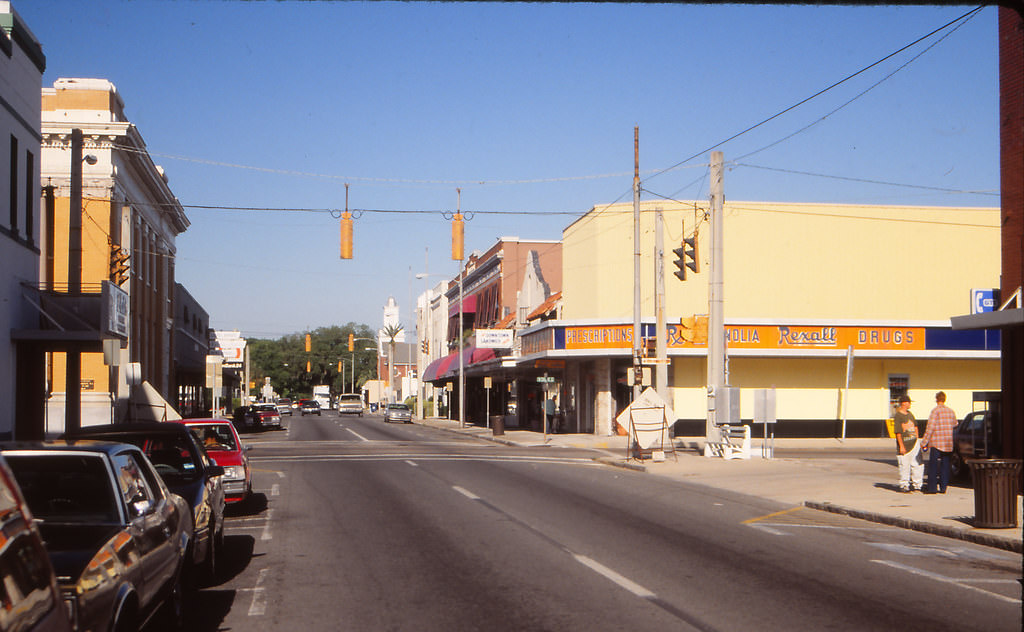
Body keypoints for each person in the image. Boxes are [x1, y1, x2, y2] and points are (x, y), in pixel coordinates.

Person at [921, 391, 957, 494]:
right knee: (945, 465)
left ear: (936, 399)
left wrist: (924, 442)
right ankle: (943, 487)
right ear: (945, 399)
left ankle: (932, 488)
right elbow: (955, 424)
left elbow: (930, 427)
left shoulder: (935, 411)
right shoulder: (951, 411)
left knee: (933, 465)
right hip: (948, 443)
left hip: (936, 442)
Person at [893, 395, 923, 492]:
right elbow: (898, 432)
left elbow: (915, 426)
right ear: (904, 403)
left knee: (917, 465)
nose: (910, 404)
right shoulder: (898, 416)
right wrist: (901, 446)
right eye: (909, 402)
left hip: (914, 443)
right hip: (905, 444)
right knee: (904, 465)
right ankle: (904, 485)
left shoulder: (910, 414)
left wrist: (917, 439)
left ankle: (917, 485)